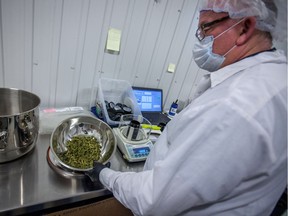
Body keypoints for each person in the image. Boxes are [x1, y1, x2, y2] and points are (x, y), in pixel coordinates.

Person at [87, 0, 287, 215]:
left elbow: (153, 199)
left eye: (205, 27)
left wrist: (105, 175)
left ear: (245, 27)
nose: (200, 38)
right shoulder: (278, 77)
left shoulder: (232, 105)